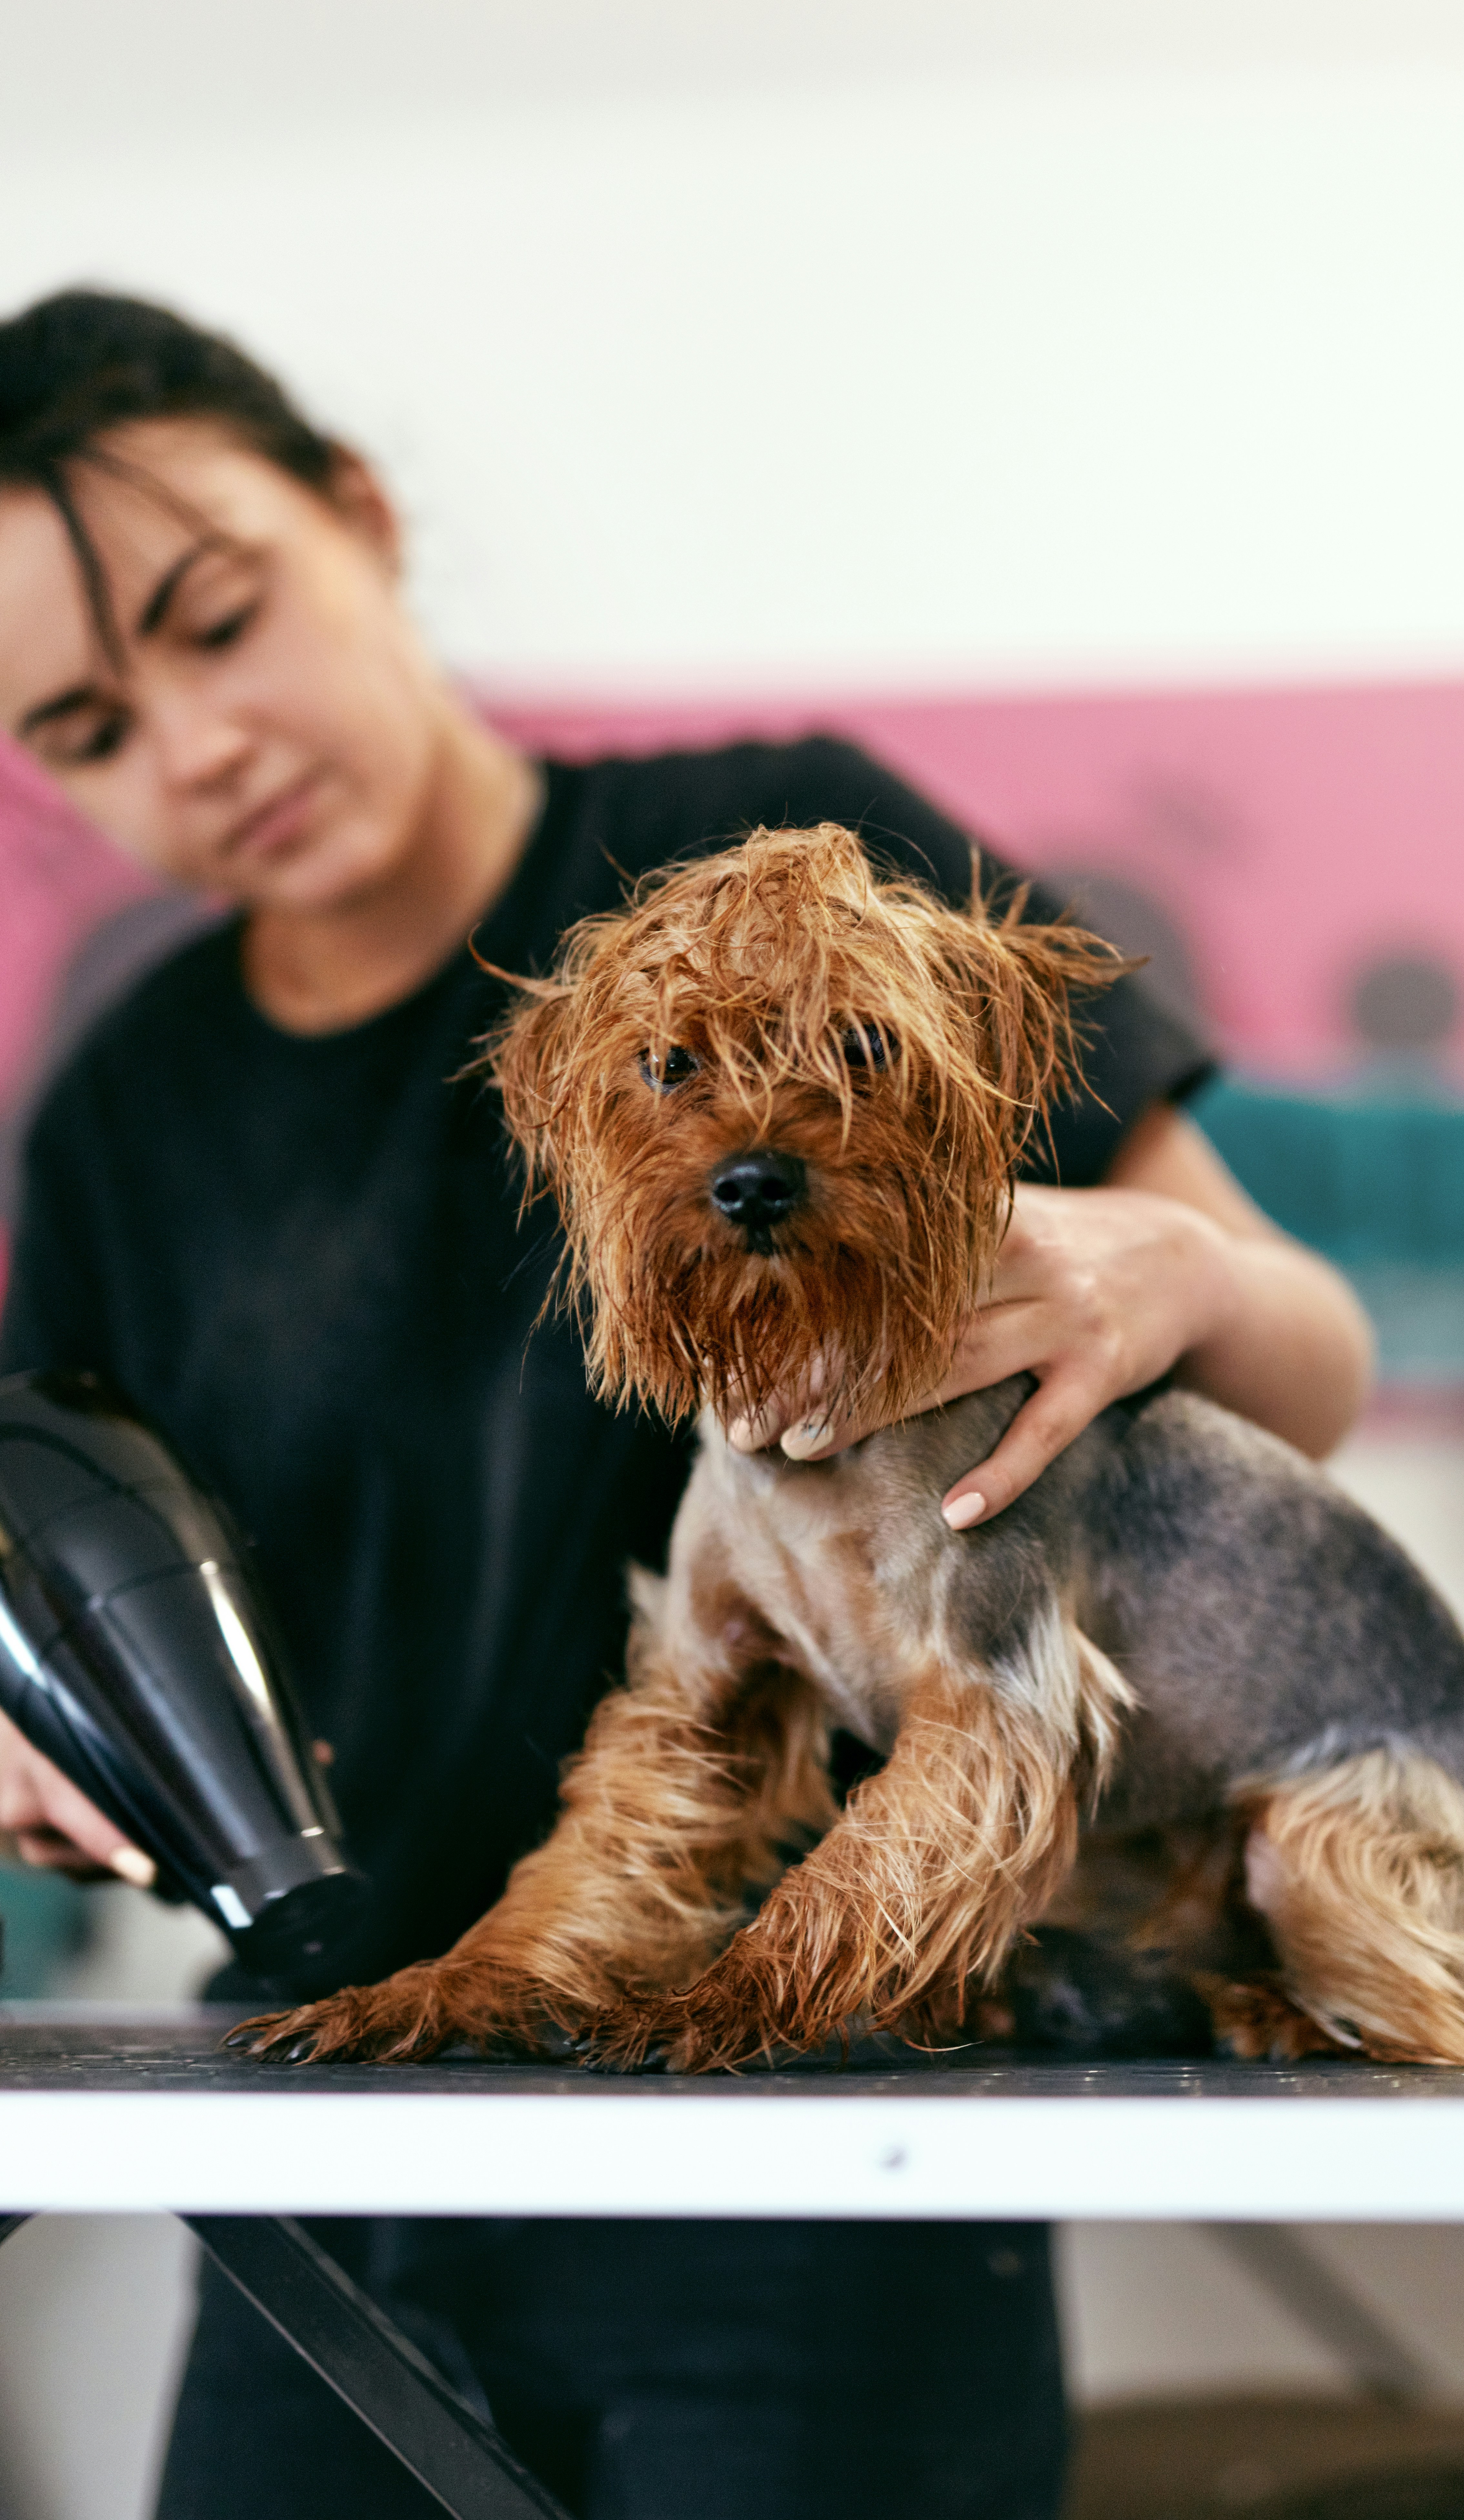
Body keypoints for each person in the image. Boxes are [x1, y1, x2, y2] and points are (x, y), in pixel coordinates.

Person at [0, 290, 1373, 2520]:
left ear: (357, 514)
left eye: (218, 618)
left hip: (817, 2120)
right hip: (331, 2118)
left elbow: (1305, 1378)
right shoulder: (122, 1120)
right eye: (85, 725)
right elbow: (48, 1540)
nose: (196, 740)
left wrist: (1192, 1266)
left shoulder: (796, 843)